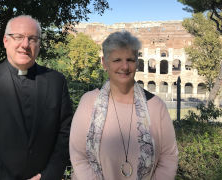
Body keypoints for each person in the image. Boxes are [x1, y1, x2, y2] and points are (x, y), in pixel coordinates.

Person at [0, 15, 73, 180]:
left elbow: (66, 135)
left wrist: (48, 176)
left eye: (33, 39)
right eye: (19, 37)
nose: (25, 44)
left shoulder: (56, 82)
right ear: (6, 41)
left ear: (39, 44)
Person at [69, 31, 178, 180]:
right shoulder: (88, 102)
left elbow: (169, 157)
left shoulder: (156, 106)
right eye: (117, 60)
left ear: (137, 63)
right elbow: (78, 156)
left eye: (130, 60)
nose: (125, 66)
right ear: (104, 63)